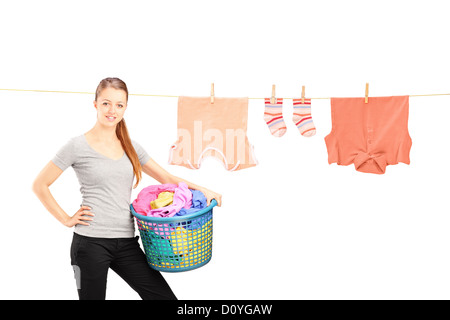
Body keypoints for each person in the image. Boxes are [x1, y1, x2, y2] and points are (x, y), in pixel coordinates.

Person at [32, 77, 222, 300]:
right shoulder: (76, 146)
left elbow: (166, 177)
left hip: (126, 243)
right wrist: (66, 219)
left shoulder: (131, 146)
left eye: (119, 105)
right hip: (90, 244)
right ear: (95, 104)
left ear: (125, 108)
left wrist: (204, 190)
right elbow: (40, 184)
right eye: (106, 103)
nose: (112, 110)